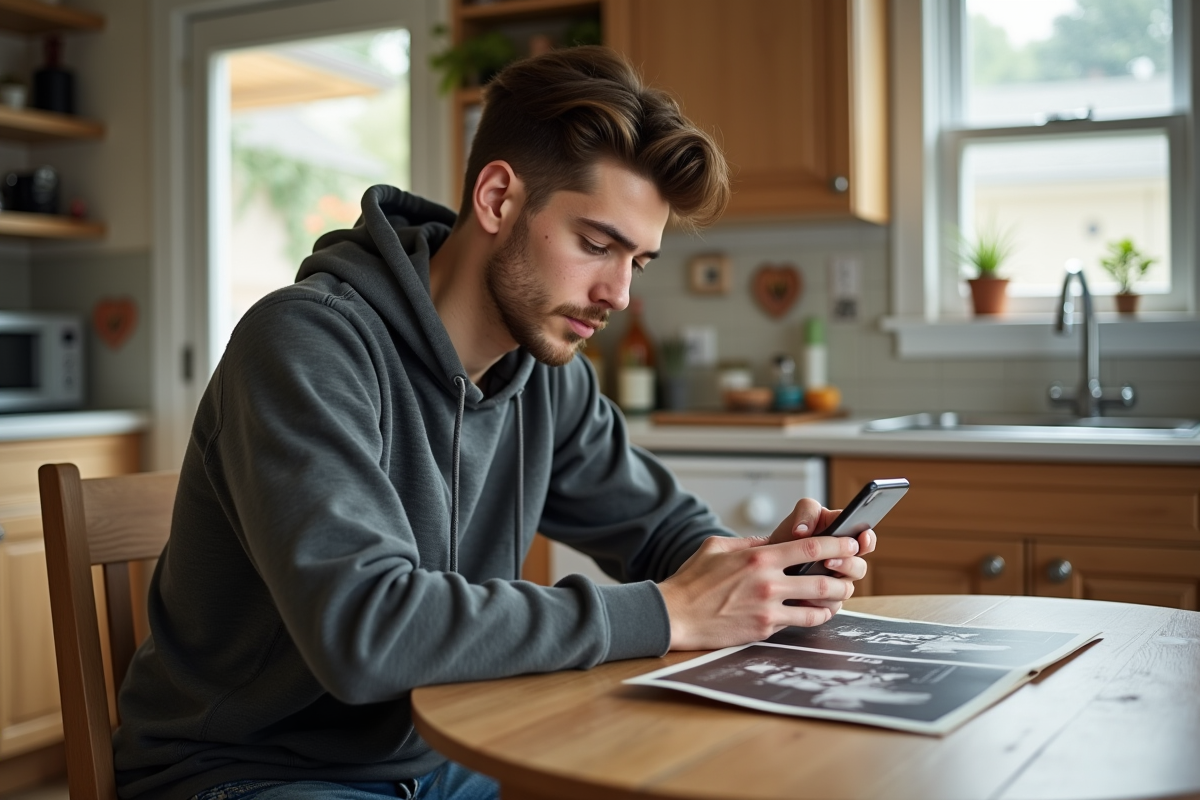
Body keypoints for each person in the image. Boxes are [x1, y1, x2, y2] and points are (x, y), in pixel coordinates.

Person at [113, 46, 876, 800]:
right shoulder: (306, 344)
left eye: (637, 262)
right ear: (498, 198)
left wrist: (762, 573)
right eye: (596, 245)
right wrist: (669, 610)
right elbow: (365, 633)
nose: (618, 294)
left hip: (449, 749)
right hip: (253, 771)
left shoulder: (548, 377)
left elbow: (663, 531)